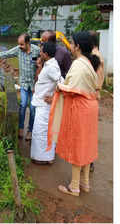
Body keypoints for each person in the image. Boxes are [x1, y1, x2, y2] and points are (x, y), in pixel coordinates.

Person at [46, 31, 101, 197]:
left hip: (81, 108)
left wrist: (59, 87)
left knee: (77, 145)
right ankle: (85, 183)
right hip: (90, 108)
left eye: (71, 42)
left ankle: (74, 187)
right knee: (86, 145)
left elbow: (73, 89)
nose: (69, 45)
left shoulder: (79, 64)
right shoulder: (88, 62)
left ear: (77, 46)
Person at [0, 33, 40, 140]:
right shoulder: (18, 50)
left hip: (34, 85)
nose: (20, 46)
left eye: (22, 44)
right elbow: (4, 54)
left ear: (28, 43)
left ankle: (30, 131)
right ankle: (21, 128)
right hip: (23, 83)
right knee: (22, 105)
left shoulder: (37, 50)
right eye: (19, 44)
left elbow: (44, 62)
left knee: (32, 108)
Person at [30, 42, 64, 164]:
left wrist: (54, 97)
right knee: (41, 131)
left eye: (41, 51)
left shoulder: (51, 67)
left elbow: (62, 83)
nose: (39, 53)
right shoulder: (48, 64)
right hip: (42, 104)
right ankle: (43, 157)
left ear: (46, 54)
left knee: (42, 131)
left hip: (45, 105)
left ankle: (44, 158)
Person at [89, 30, 105, 173]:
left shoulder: (95, 56)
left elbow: (96, 81)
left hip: (91, 96)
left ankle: (89, 161)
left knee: (88, 131)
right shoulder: (95, 54)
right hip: (94, 95)